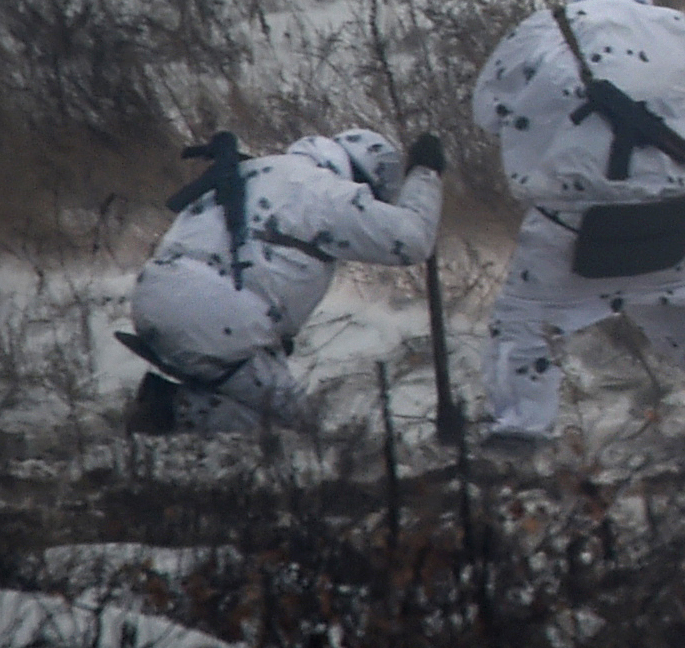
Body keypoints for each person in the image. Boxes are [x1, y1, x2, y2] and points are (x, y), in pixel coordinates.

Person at [471, 0, 685, 448]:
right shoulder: (680, 29)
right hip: (668, 219)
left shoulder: (539, 30)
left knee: (524, 324)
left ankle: (519, 436)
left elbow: (488, 112)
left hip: (568, 221)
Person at [122, 127, 444, 435]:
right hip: (212, 322)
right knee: (302, 427)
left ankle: (170, 406)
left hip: (152, 299)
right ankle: (174, 409)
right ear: (363, 180)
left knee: (255, 399)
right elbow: (411, 239)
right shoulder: (326, 192)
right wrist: (425, 175)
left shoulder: (258, 169)